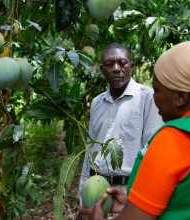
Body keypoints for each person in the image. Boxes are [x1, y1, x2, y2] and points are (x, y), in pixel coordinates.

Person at [80, 41, 190, 220]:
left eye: (157, 91)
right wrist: (134, 206)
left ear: (181, 97)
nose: (155, 99)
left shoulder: (174, 140)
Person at [77, 43, 163, 219]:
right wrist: (81, 199)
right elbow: (90, 150)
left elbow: (151, 154)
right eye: (109, 64)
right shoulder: (97, 102)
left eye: (122, 63)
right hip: (94, 190)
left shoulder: (147, 99)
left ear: (131, 66)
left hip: (126, 192)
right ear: (102, 69)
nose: (116, 68)